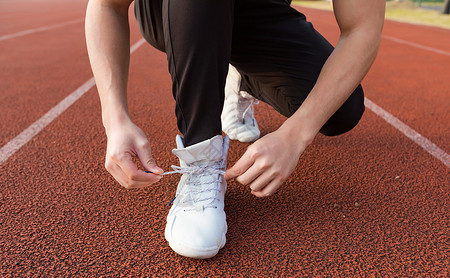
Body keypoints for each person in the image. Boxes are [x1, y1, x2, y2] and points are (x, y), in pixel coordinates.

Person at [85, 0, 385, 259]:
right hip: (169, 10)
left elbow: (362, 28)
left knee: (341, 111)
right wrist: (115, 119)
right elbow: (107, 5)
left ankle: (241, 78)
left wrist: (297, 133)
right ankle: (201, 158)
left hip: (255, 11)